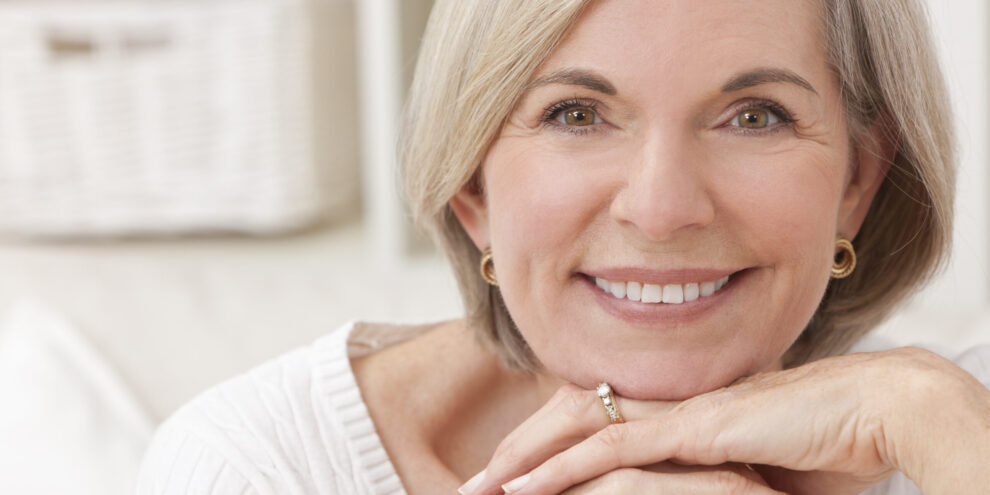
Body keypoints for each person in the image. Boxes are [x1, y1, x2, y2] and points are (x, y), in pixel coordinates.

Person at [137, 0, 990, 493]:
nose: (660, 209)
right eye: (575, 115)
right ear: (471, 186)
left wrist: (941, 420)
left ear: (857, 183)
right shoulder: (252, 465)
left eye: (754, 115)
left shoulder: (955, 427)